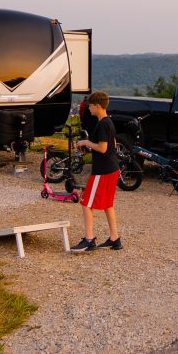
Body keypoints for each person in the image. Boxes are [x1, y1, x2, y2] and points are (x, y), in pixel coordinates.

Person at [70, 90, 122, 253]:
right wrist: (89, 148)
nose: (89, 109)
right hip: (112, 168)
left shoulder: (103, 124)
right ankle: (114, 239)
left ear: (98, 106)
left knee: (86, 202)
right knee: (107, 204)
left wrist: (86, 142)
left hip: (103, 171)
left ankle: (89, 239)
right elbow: (112, 143)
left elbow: (103, 147)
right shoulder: (109, 122)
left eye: (91, 106)